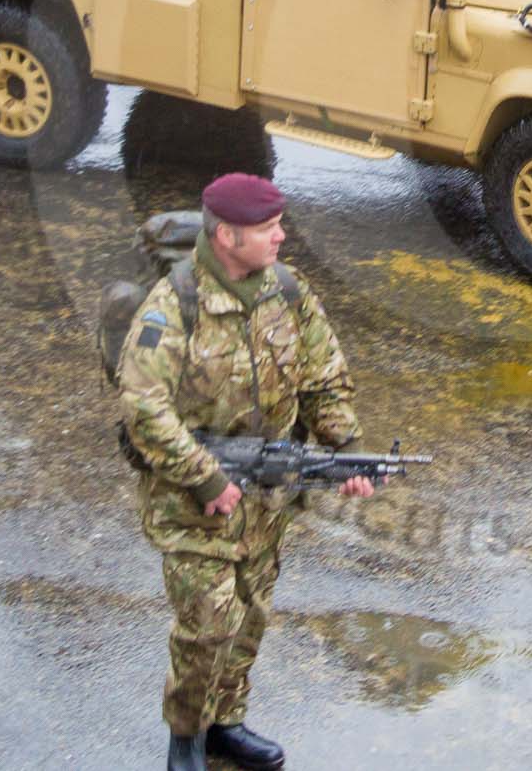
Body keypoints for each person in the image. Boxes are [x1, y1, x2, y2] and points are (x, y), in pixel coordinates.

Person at [117, 172, 375, 771]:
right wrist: (206, 479)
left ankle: (225, 725)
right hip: (194, 500)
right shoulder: (173, 306)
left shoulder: (288, 293)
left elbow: (323, 378)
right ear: (228, 236)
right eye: (268, 230)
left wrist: (349, 452)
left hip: (266, 500)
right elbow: (144, 408)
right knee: (207, 624)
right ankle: (185, 736)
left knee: (250, 617)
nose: (281, 237)